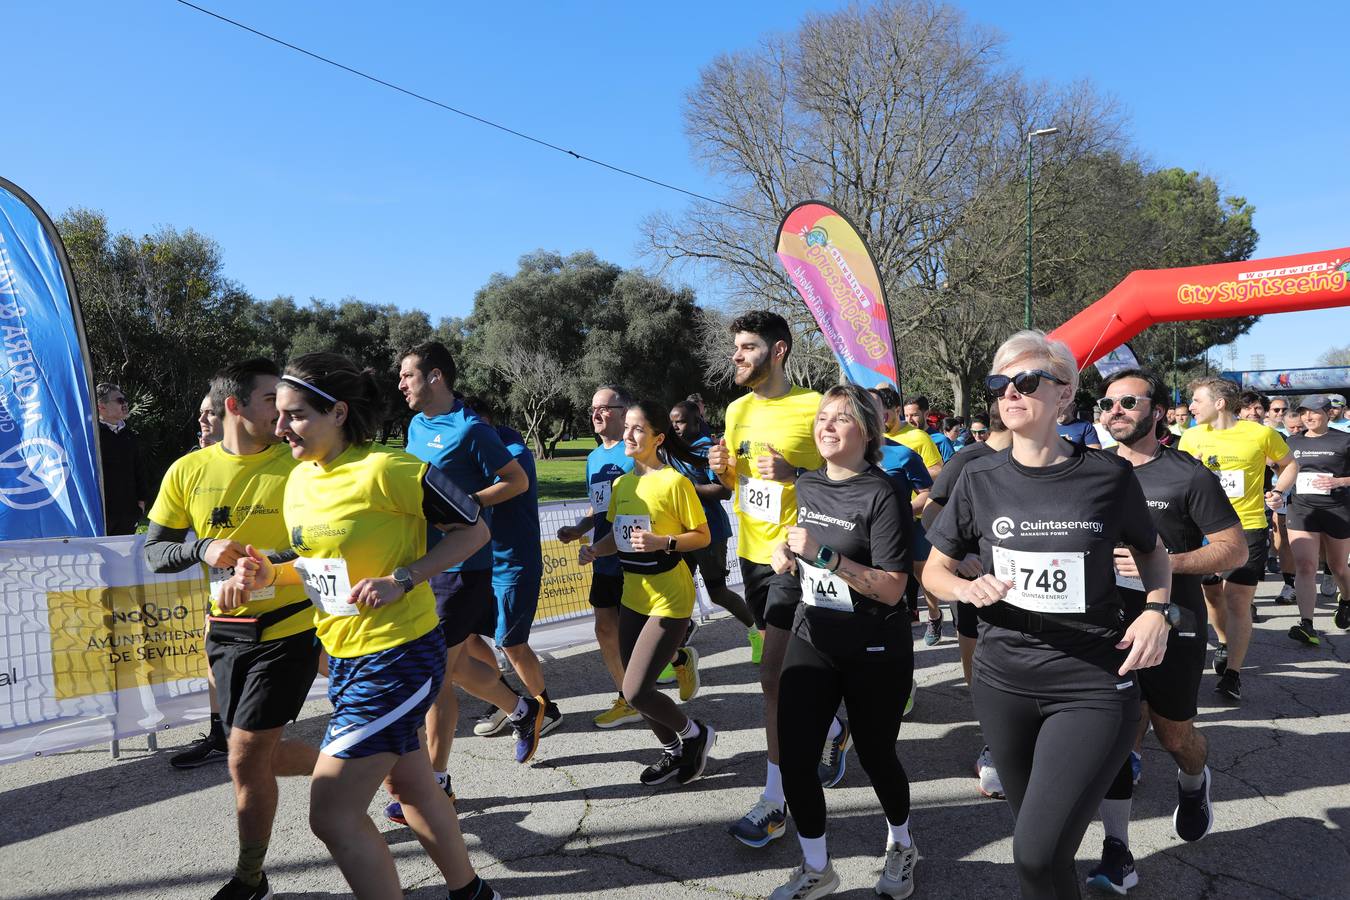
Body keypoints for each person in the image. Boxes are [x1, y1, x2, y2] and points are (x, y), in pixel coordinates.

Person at [227, 352, 502, 900]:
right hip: (347, 658)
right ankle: (472, 893)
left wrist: (405, 577)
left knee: (331, 813)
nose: (280, 428)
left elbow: (474, 529)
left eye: (296, 415)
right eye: (279, 415)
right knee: (414, 786)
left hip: (398, 656)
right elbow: (313, 562)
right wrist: (267, 571)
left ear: (338, 413)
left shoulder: (389, 469)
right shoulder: (300, 479)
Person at [923, 330, 1173, 900]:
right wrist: (966, 588)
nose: (1009, 393)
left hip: (1091, 682)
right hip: (1002, 680)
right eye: (999, 384)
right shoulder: (976, 479)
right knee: (1047, 852)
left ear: (1065, 395)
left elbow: (1152, 553)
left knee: (1033, 853)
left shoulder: (1108, 477)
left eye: (1027, 381)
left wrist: (1156, 609)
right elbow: (934, 571)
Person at [144, 359, 321, 900]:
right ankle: (361, 761)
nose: (283, 412)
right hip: (224, 632)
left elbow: (323, 541)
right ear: (235, 407)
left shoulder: (300, 467)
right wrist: (202, 547)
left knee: (244, 755)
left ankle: (249, 878)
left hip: (290, 629)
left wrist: (270, 561)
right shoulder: (187, 471)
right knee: (256, 756)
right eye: (271, 399)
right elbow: (154, 552)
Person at [1087, 368, 1245, 894]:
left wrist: (1167, 563)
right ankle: (1117, 851)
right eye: (1107, 403)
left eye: (1129, 402)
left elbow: (1234, 549)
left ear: (1157, 411)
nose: (1116, 411)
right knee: (1113, 737)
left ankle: (1195, 784)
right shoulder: (1086, 470)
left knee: (1175, 737)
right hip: (1103, 626)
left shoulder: (1187, 475)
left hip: (1174, 621)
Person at [765, 384, 917, 899]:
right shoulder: (808, 484)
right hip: (815, 634)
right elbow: (804, 546)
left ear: (867, 432)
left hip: (875, 644)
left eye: (840, 418)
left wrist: (827, 557)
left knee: (877, 756)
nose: (825, 425)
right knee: (795, 756)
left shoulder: (884, 491)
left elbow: (895, 587)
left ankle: (901, 843)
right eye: (822, 417)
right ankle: (817, 868)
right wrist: (787, 554)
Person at [394, 344, 542, 824]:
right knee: (450, 670)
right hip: (424, 563)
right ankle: (521, 708)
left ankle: (437, 783)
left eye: (407, 375)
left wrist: (462, 502)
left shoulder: (470, 428)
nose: (401, 384)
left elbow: (516, 480)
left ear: (435, 377)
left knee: (436, 676)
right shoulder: (416, 425)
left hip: (463, 566)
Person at [707, 310, 822, 848]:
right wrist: (723, 470)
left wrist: (797, 474)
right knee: (790, 671)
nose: (736, 355)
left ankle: (775, 801)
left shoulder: (815, 407)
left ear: (778, 352)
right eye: (737, 347)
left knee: (772, 675)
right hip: (752, 558)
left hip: (795, 558)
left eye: (748, 347)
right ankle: (833, 730)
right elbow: (737, 485)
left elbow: (851, 477)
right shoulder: (735, 409)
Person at [578, 400, 716, 786]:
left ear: (657, 437)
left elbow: (701, 536)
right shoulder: (623, 484)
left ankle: (694, 735)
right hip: (632, 597)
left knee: (636, 691)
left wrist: (663, 542)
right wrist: (594, 550)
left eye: (638, 429)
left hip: (669, 598)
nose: (628, 434)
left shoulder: (675, 482)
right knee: (634, 687)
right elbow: (618, 537)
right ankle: (675, 752)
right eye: (628, 428)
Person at [1179, 377, 1297, 701]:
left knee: (1238, 600)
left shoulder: (1260, 434)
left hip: (1248, 527)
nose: (1190, 407)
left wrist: (1278, 491)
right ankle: (1223, 639)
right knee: (1213, 597)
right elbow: (1180, 482)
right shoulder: (1190, 437)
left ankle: (1232, 674)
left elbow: (1289, 464)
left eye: (1196, 400)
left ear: (1219, 403)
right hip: (1204, 531)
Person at [921, 403, 1012, 801]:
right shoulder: (968, 460)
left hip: (1025, 584)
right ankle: (992, 740)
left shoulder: (1043, 456)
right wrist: (958, 556)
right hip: (976, 582)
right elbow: (931, 512)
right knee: (980, 660)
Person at [460, 396, 563, 742]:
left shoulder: (514, 449)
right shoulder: (475, 447)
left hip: (515, 563)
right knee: (468, 635)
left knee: (511, 642)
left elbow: (502, 481)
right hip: (482, 562)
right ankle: (508, 703)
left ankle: (546, 709)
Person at [557, 384, 640, 727]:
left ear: (624, 412)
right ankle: (627, 698)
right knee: (605, 628)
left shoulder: (636, 451)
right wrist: (579, 529)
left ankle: (676, 656)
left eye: (605, 408)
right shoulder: (593, 458)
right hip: (604, 556)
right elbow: (599, 507)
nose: (596, 414)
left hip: (636, 556)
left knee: (637, 629)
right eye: (593, 408)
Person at [669, 399, 756, 631]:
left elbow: (724, 491)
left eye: (681, 422)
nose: (675, 427)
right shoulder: (671, 449)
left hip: (710, 531)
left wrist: (686, 487)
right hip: (680, 532)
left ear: (697, 421)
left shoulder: (707, 449)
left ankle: (756, 631)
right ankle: (676, 646)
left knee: (717, 593)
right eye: (672, 423)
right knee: (677, 593)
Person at [1284, 395, 1350, 642]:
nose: (1308, 417)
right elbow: (1282, 471)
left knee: (1339, 567)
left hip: (1337, 510)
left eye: (1313, 412)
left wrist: (1340, 481)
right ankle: (1307, 624)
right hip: (1302, 510)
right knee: (1306, 566)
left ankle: (1346, 599)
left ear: (1327, 412)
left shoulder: (1344, 440)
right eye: (1303, 413)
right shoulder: (1291, 441)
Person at [96, 382, 150, 534]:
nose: (125, 403)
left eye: (124, 399)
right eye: (119, 400)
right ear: (101, 406)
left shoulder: (129, 435)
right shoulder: (91, 436)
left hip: (128, 513)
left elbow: (139, 469)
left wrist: (141, 502)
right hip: (101, 514)